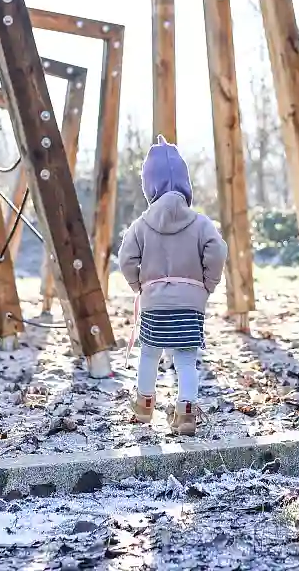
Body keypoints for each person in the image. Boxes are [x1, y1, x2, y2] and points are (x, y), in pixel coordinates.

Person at [118, 135, 227, 436]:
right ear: (185, 183)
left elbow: (126, 258)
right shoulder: (201, 223)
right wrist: (207, 285)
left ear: (149, 187)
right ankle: (187, 411)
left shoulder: (140, 225)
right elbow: (217, 251)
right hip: (190, 303)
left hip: (155, 303)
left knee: (150, 354)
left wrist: (138, 285)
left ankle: (143, 406)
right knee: (186, 359)